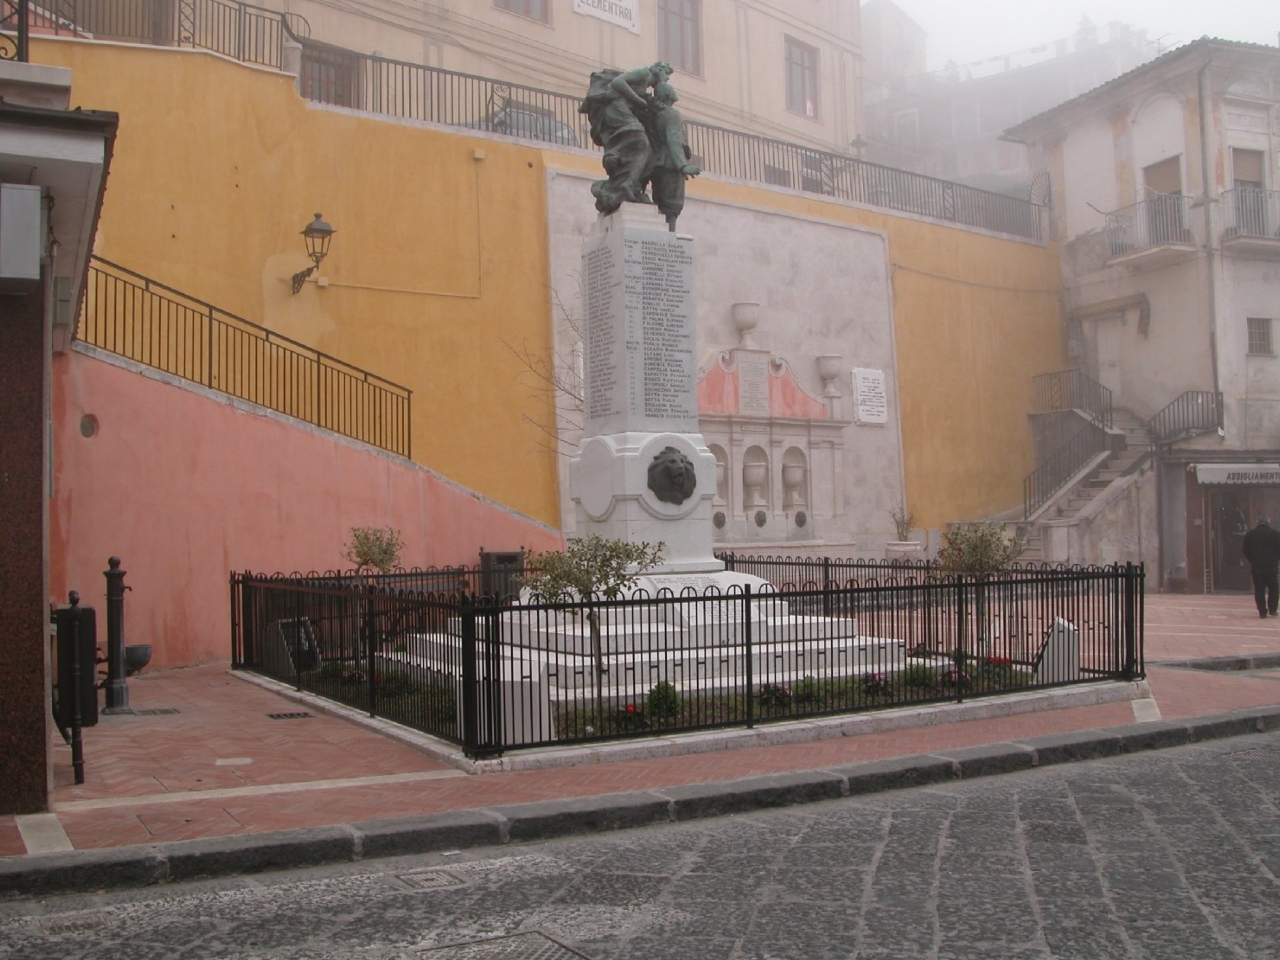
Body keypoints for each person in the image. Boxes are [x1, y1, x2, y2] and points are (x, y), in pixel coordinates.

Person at [580, 62, 672, 215]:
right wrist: (640, 101)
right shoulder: (643, 72)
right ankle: (626, 186)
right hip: (617, 111)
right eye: (667, 73)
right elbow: (617, 83)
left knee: (638, 148)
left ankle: (628, 185)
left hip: (621, 111)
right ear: (658, 69)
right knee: (639, 141)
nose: (667, 78)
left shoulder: (646, 82)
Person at [641, 82, 701, 231]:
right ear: (668, 95)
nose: (675, 91)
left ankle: (663, 236)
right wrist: (683, 166)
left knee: (660, 203)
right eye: (672, 89)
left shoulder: (653, 115)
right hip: (670, 164)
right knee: (672, 206)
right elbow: (674, 140)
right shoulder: (672, 114)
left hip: (656, 165)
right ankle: (670, 238)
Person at [1242, 516, 1280, 618]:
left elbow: (1245, 549)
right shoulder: (1275, 533)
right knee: (1274, 589)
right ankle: (1272, 609)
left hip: (1257, 567)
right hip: (1271, 567)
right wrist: (1275, 560)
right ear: (1268, 522)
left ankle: (1262, 612)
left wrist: (1252, 560)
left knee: (1259, 590)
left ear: (1257, 523)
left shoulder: (1250, 534)